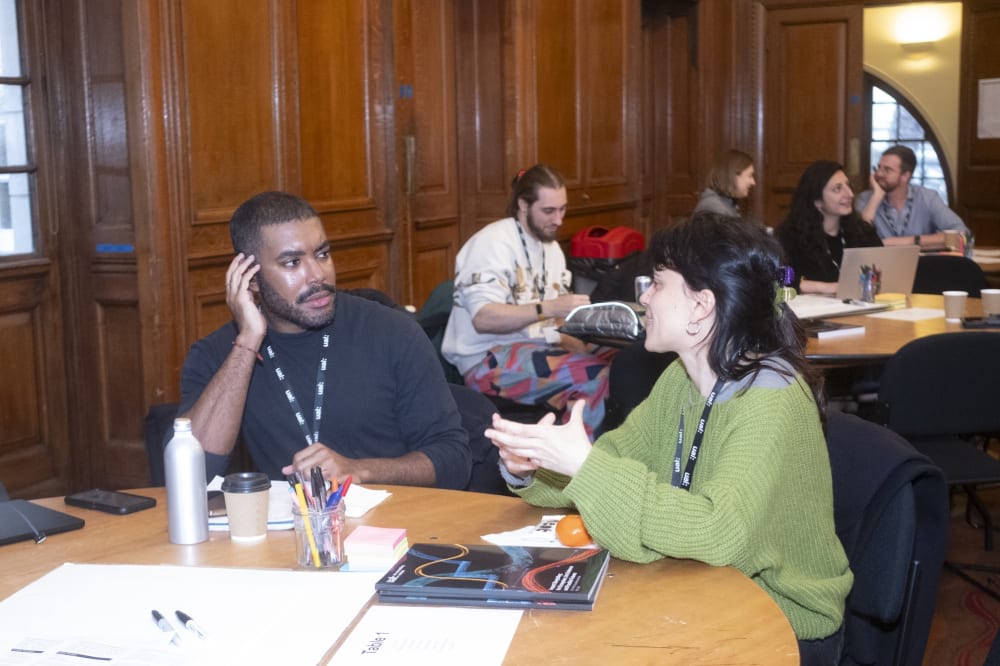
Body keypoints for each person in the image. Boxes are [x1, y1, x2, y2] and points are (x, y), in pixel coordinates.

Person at [486, 214, 852, 664]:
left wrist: (584, 467)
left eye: (658, 283)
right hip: (700, 586)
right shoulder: (683, 377)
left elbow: (719, 531)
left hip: (780, 619)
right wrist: (535, 465)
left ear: (701, 306)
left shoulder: (771, 398)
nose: (644, 297)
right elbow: (614, 461)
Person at [178, 191, 472, 489]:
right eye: (292, 263)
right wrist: (249, 340)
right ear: (251, 279)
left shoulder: (392, 332)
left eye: (322, 254)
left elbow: (454, 460)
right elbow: (192, 471)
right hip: (286, 531)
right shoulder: (220, 354)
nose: (317, 275)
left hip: (394, 526)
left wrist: (359, 471)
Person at [442, 164, 616, 438]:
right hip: (487, 359)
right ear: (523, 205)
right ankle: (570, 469)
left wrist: (577, 340)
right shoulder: (492, 243)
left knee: (627, 360)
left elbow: (552, 322)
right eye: (549, 211)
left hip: (536, 346)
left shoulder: (552, 249)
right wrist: (549, 309)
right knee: (595, 376)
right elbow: (483, 318)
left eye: (563, 210)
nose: (558, 220)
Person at [776, 160, 882, 295]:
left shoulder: (862, 232)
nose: (849, 194)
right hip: (811, 312)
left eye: (848, 186)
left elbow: (884, 270)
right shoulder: (790, 236)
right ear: (817, 201)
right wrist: (827, 287)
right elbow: (780, 279)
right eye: (837, 189)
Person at [856, 145, 969, 248]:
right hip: (880, 267)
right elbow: (859, 239)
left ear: (905, 176)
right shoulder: (865, 199)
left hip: (922, 266)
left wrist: (911, 241)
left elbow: (962, 235)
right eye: (878, 168)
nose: (879, 174)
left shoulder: (928, 198)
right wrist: (876, 196)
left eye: (887, 170)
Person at [692, 149, 756, 220]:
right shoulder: (714, 207)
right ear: (733, 176)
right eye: (750, 175)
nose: (753, 182)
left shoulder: (726, 203)